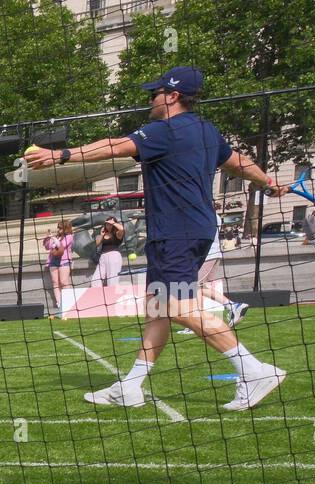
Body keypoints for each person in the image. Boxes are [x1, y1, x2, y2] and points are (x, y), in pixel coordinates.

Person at [28, 66, 286, 411]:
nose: (151, 99)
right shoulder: (207, 131)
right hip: (195, 229)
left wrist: (59, 155)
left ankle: (254, 371)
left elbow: (115, 146)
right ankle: (131, 387)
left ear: (173, 96)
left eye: (156, 93)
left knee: (177, 308)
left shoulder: (165, 130)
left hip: (175, 233)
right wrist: (268, 182)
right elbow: (240, 162)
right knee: (157, 307)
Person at [43, 218, 74, 314]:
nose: (58, 230)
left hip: (64, 261)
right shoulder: (57, 236)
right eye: (58, 228)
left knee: (64, 282)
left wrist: (55, 240)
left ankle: (69, 304)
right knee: (55, 283)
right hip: (53, 261)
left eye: (60, 228)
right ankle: (59, 303)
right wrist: (48, 238)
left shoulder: (69, 236)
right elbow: (47, 247)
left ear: (66, 228)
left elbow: (62, 246)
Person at [89, 218, 126, 288]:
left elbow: (122, 229)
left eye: (111, 224)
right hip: (103, 257)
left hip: (113, 255)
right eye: (107, 224)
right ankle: (99, 296)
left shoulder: (117, 233)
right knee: (95, 280)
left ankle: (113, 297)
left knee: (112, 280)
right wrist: (102, 235)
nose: (109, 225)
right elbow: (97, 243)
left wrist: (113, 223)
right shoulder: (104, 234)